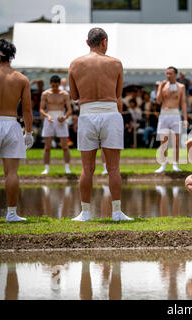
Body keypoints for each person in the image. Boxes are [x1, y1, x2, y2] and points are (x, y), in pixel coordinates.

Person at [68, 27, 132, 222]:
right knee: (113, 168)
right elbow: (117, 93)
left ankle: (85, 213)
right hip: (110, 113)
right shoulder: (115, 63)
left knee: (87, 168)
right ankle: (117, 212)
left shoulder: (75, 64)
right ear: (104, 42)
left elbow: (74, 96)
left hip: (87, 113)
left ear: (87, 43)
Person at [0, 39, 34, 222]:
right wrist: (28, 133)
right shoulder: (21, 78)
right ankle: (12, 213)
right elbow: (27, 110)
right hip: (11, 124)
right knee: (12, 173)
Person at [155, 66, 188, 173]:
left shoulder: (181, 86)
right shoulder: (163, 85)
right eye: (167, 73)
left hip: (175, 114)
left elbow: (183, 103)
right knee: (163, 141)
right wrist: (160, 87)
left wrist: (185, 118)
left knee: (176, 141)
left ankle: (175, 164)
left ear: (175, 74)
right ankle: (163, 165)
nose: (168, 75)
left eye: (170, 73)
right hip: (164, 113)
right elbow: (158, 101)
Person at [39, 75, 72, 175]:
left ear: (59, 85)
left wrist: (64, 117)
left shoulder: (64, 94)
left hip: (60, 117)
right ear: (50, 84)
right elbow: (41, 109)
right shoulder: (45, 93)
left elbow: (70, 110)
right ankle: (46, 168)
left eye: (56, 86)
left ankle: (67, 168)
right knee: (47, 146)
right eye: (53, 86)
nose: (55, 88)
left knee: (65, 146)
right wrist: (47, 116)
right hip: (49, 117)